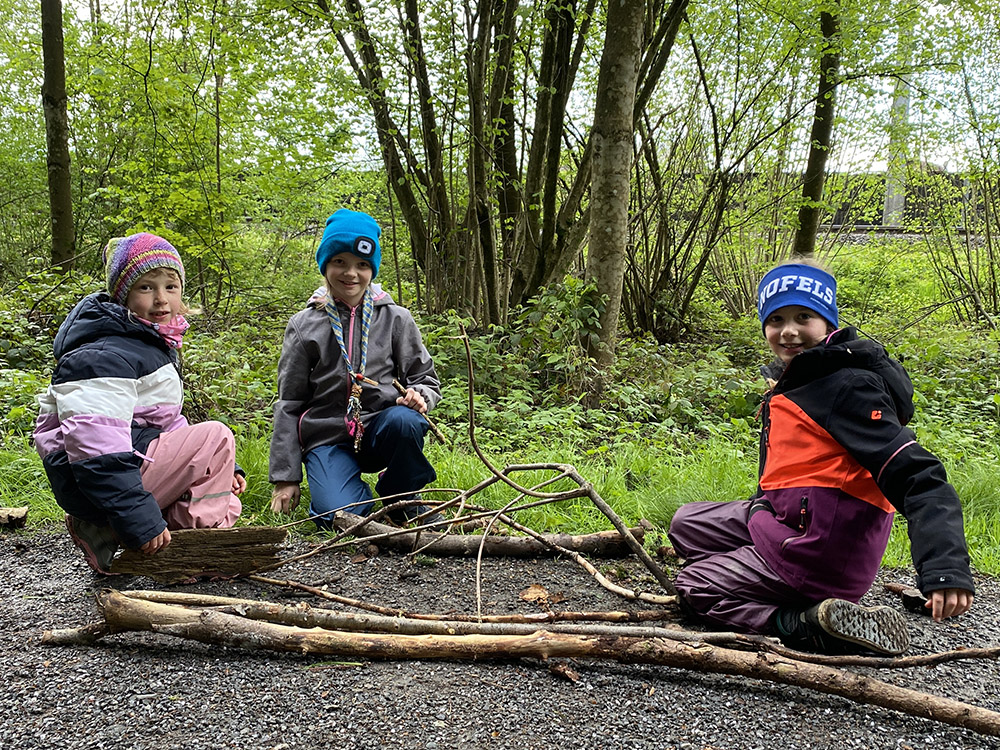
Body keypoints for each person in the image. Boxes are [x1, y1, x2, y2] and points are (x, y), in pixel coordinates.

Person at [667, 260, 974, 655]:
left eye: (803, 317)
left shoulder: (847, 387)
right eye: (776, 319)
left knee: (694, 585)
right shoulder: (803, 378)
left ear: (828, 321)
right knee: (685, 525)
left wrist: (944, 569)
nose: (789, 331)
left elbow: (920, 476)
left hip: (818, 550)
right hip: (784, 520)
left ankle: (806, 623)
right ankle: (770, 581)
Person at [33, 233, 245, 574]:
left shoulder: (146, 343)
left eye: (171, 287)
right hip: (92, 479)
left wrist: (222, 466)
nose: (161, 299)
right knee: (217, 436)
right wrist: (138, 517)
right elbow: (95, 451)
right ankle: (184, 551)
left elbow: (165, 422)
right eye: (146, 287)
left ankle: (138, 542)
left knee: (225, 492)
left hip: (126, 464)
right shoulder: (103, 354)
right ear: (123, 293)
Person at [269, 208, 442, 528]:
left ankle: (400, 495)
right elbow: (289, 403)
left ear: (372, 270)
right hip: (328, 437)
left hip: (382, 429)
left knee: (406, 420)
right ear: (325, 264)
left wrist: (420, 395)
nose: (351, 273)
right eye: (340, 262)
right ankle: (354, 498)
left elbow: (425, 379)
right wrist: (286, 476)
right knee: (336, 516)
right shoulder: (304, 326)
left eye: (362, 265)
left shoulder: (396, 319)